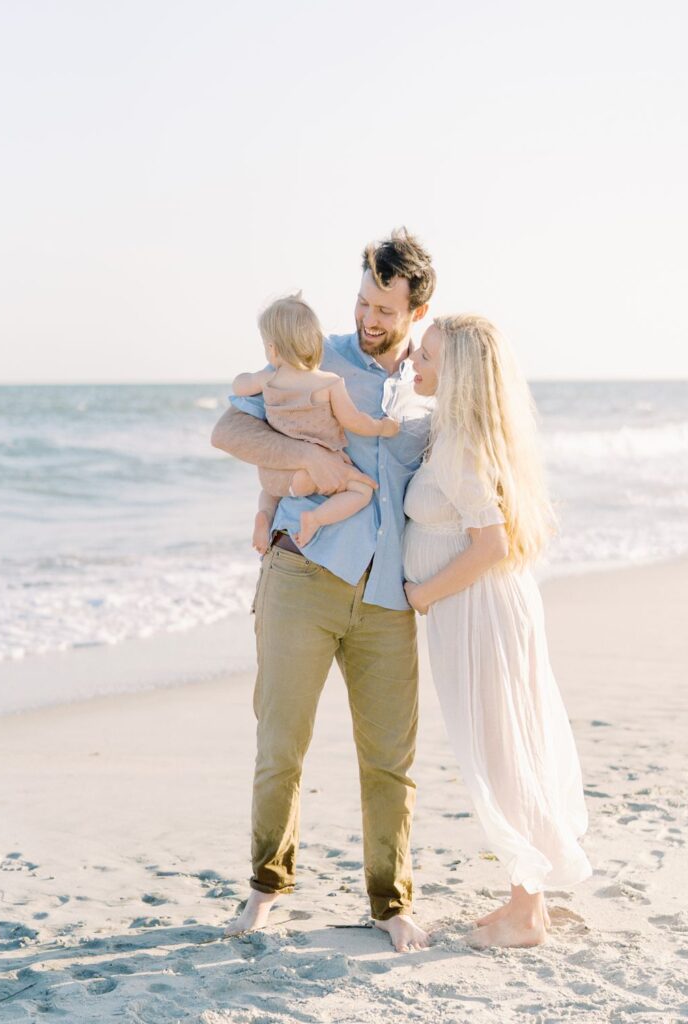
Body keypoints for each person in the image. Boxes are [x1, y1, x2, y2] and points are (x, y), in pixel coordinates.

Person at [211, 228, 436, 952]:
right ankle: (265, 889)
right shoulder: (313, 358)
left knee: (390, 761)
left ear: (416, 311)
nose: (369, 317)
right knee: (281, 744)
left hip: (388, 597)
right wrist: (305, 453)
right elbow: (230, 428)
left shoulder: (433, 388)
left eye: (385, 309)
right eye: (364, 300)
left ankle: (389, 901)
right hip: (301, 576)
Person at [402, 314, 592, 949]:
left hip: (477, 611)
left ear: (457, 375)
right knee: (508, 748)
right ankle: (524, 897)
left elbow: (491, 543)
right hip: (477, 610)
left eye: (426, 355)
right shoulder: (455, 434)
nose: (413, 361)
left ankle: (527, 912)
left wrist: (423, 593)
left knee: (505, 755)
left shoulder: (460, 448)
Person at [232, 292, 399, 553]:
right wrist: (382, 427)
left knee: (270, 496)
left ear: (273, 349)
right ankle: (315, 519)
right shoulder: (328, 383)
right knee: (362, 491)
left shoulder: (268, 380)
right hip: (310, 475)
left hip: (273, 474)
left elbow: (240, 386)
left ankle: (264, 516)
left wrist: (251, 376)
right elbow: (354, 421)